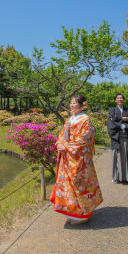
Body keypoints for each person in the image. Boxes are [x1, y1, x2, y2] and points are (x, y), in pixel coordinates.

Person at [50, 95, 103, 225]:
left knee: (79, 185)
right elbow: (62, 135)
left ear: (81, 105)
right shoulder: (70, 119)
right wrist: (59, 144)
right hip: (67, 157)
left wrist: (66, 147)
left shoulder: (86, 120)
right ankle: (72, 212)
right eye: (71, 103)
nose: (71, 105)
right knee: (68, 186)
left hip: (79, 159)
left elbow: (84, 139)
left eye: (74, 103)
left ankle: (82, 215)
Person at [107, 93, 128, 185]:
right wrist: (123, 119)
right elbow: (111, 122)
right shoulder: (112, 110)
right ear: (115, 100)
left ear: (123, 100)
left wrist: (120, 121)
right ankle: (116, 177)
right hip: (117, 137)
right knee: (116, 157)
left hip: (126, 137)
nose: (120, 99)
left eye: (121, 98)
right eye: (118, 98)